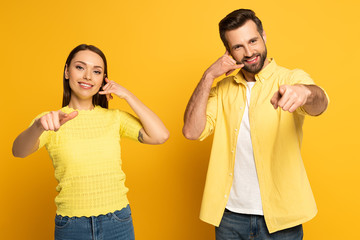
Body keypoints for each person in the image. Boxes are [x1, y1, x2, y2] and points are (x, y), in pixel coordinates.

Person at [183, 9, 328, 240]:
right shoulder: (222, 90)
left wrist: (304, 93)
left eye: (253, 41)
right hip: (229, 217)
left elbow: (319, 103)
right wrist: (209, 76)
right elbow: (191, 131)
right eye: (238, 46)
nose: (249, 52)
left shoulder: (290, 79)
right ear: (228, 52)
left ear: (264, 36)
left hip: (282, 218)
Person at [12, 44, 169, 240]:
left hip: (117, 222)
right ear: (67, 72)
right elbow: (18, 151)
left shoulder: (115, 118)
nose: (87, 76)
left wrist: (127, 95)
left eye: (96, 71)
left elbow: (161, 135)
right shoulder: (50, 120)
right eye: (80, 67)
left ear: (103, 80)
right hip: (71, 226)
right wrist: (38, 126)